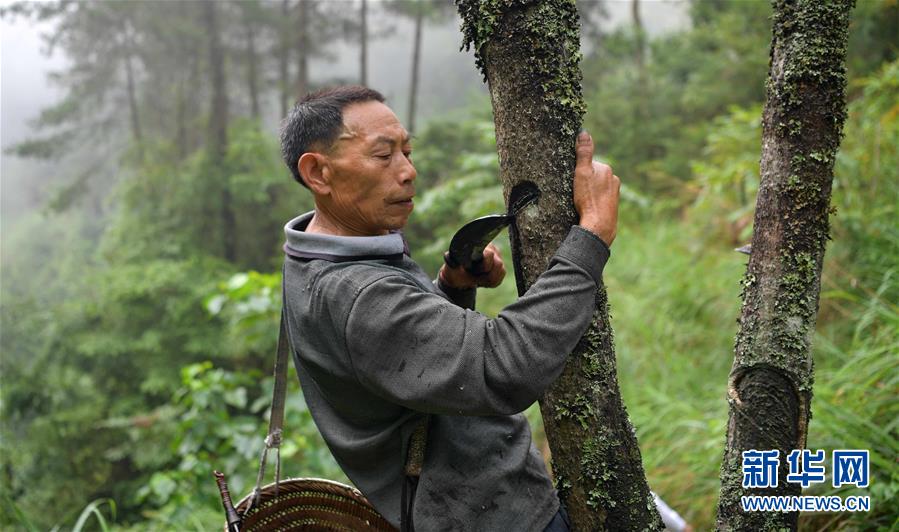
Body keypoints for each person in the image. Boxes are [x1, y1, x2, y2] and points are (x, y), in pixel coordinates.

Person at [278, 85, 620, 531]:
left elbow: (398, 366)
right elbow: (503, 365)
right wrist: (590, 237)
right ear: (318, 173)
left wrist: (451, 289)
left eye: (406, 151)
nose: (407, 172)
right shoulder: (357, 293)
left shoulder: (317, 252)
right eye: (383, 157)